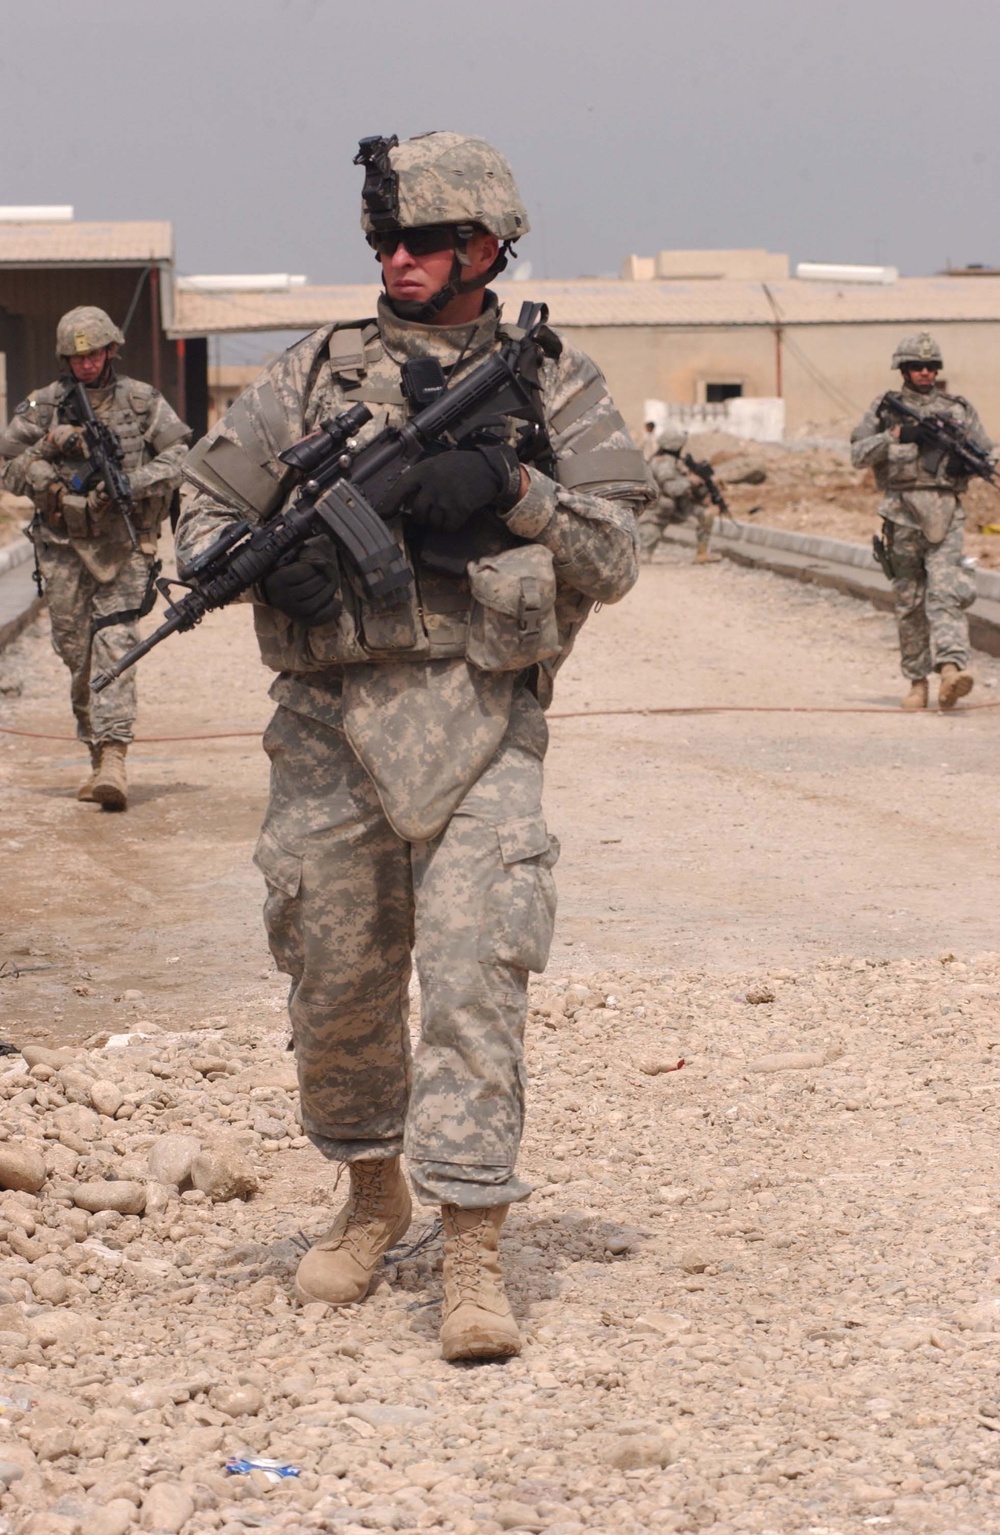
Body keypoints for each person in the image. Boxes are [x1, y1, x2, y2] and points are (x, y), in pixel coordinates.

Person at [175, 131, 649, 1360]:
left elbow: (617, 552)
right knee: (331, 973)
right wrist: (268, 562)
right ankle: (370, 1190)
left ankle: (474, 1234)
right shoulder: (312, 377)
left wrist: (510, 491)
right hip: (327, 727)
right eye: (386, 239)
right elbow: (206, 499)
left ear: (489, 245)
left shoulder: (553, 387)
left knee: (476, 971)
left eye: (429, 240)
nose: (401, 259)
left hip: (483, 719)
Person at [0, 307, 190, 806]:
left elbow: (181, 457)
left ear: (111, 351)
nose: (87, 363)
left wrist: (133, 481)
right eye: (77, 356)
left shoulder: (143, 402)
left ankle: (114, 757)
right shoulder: (44, 406)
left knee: (116, 645)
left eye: (95, 353)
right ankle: (93, 748)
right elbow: (7, 464)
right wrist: (50, 451)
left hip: (125, 546)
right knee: (76, 654)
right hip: (62, 549)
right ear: (67, 358)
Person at [851, 332, 994, 710]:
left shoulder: (958, 410)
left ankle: (951, 670)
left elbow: (987, 452)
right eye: (917, 366)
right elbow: (857, 453)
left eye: (931, 367)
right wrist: (895, 436)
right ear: (903, 369)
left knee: (946, 594)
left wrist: (971, 461)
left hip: (946, 513)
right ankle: (917, 682)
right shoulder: (886, 409)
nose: (926, 373)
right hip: (901, 515)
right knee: (910, 602)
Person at [637, 424, 720, 564]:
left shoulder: (673, 461)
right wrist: (689, 482)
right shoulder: (663, 463)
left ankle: (702, 553)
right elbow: (671, 488)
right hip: (658, 511)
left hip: (678, 506)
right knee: (643, 554)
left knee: (706, 515)